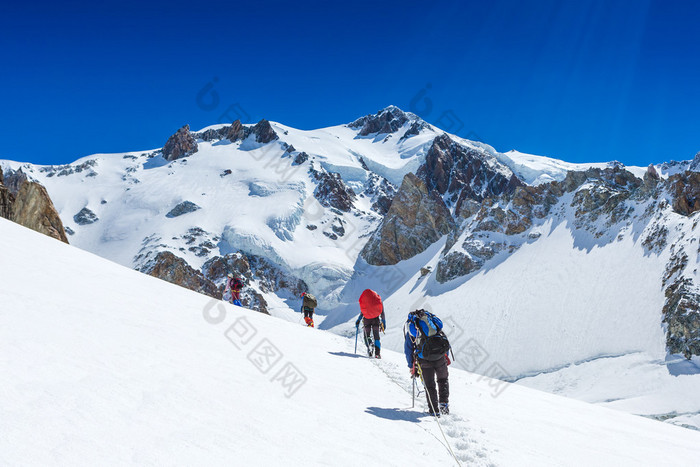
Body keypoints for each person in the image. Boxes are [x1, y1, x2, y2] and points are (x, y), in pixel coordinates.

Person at [404, 309, 451, 416]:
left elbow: (408, 350)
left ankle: (434, 411)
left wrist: (411, 365)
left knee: (430, 385)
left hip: (424, 360)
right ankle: (444, 405)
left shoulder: (413, 330)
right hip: (440, 357)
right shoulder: (434, 325)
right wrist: (445, 357)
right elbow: (443, 340)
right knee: (443, 380)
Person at [355, 289, 386, 359]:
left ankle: (369, 344)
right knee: (376, 337)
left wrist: (358, 320)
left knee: (366, 335)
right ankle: (377, 353)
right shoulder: (378, 301)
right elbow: (382, 312)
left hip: (366, 320)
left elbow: (363, 312)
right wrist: (384, 322)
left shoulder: (367, 303)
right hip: (376, 319)